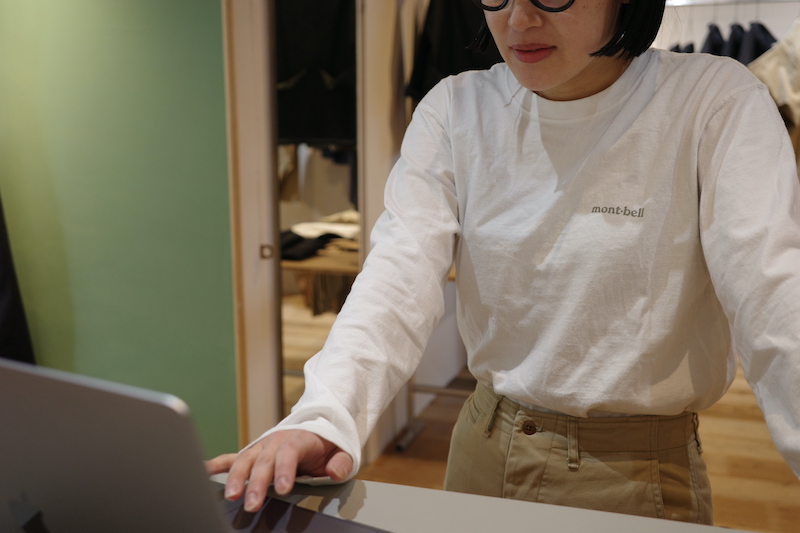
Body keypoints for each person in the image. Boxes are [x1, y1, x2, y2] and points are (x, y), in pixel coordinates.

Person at [207, 0, 800, 524]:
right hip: (482, 445)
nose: (517, 19)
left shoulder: (712, 101)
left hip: (633, 472)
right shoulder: (456, 108)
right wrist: (323, 414)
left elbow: (773, 299)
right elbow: (396, 274)